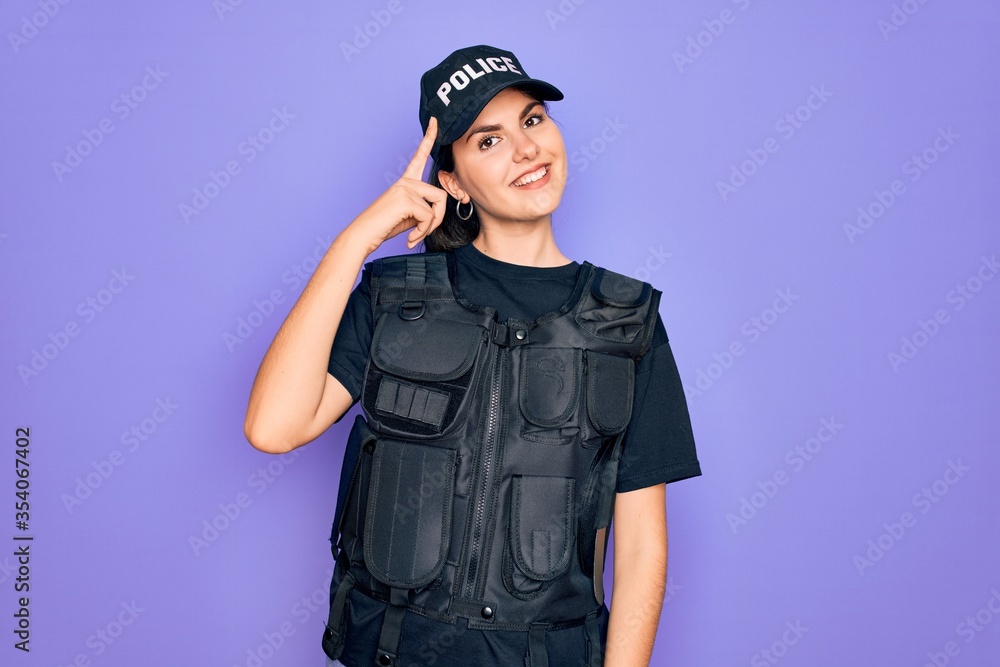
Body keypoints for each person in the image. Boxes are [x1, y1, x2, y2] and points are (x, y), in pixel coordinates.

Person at [244, 45, 701, 667]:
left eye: (533, 120)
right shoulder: (394, 299)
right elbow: (274, 427)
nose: (525, 149)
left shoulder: (624, 320)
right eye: (488, 140)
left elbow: (643, 548)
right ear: (452, 181)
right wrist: (355, 241)